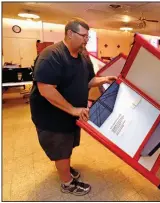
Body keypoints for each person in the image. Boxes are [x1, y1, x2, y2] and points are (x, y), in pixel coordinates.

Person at [29, 18, 116, 196]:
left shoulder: (83, 56)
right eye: (84, 36)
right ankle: (67, 183)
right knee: (60, 148)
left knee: (67, 146)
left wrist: (105, 79)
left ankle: (65, 168)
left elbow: (88, 80)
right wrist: (73, 109)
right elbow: (46, 89)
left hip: (71, 113)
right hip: (51, 115)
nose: (86, 40)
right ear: (70, 34)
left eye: (88, 37)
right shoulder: (51, 56)